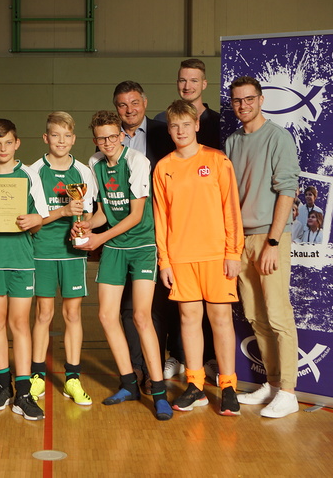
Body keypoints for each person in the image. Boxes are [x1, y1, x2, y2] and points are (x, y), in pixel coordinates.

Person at [74, 110, 172, 421]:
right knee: (106, 315)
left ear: (121, 135)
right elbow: (104, 212)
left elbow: (135, 215)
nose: (107, 143)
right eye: (101, 138)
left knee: (142, 317)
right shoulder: (94, 163)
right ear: (95, 140)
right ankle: (129, 383)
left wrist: (99, 239)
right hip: (115, 247)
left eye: (112, 136)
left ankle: (159, 392)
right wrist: (86, 225)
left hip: (141, 245)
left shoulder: (137, 162)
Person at [152, 100, 244, 417]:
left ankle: (228, 386)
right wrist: (165, 261)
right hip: (181, 258)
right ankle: (195, 385)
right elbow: (161, 219)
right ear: (169, 129)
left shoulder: (217, 160)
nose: (180, 131)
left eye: (186, 124)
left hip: (217, 255)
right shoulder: (163, 167)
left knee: (220, 319)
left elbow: (231, 209)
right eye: (174, 126)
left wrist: (233, 252)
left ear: (197, 125)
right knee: (189, 320)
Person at [225, 76, 302, 419]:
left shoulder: (278, 137)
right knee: (256, 316)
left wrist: (273, 241)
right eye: (237, 100)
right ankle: (271, 384)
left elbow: (287, 190)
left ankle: (289, 391)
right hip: (240, 240)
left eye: (249, 99)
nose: (243, 105)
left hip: (269, 237)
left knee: (278, 315)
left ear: (261, 99)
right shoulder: (232, 141)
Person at [0, 119, 48, 421]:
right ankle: (3, 386)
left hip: (21, 260)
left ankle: (23, 393)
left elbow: (40, 218)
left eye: (8, 142)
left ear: (17, 143)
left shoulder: (29, 175)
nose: (2, 148)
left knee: (20, 324)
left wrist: (33, 220)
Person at [153, 58, 224, 383]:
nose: (188, 85)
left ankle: (214, 365)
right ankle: (181, 359)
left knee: (215, 313)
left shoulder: (218, 129)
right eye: (183, 80)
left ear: (204, 84)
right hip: (179, 239)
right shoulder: (163, 129)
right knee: (181, 309)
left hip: (211, 239)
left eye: (194, 80)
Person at [26, 112, 97, 406]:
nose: (61, 141)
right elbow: (33, 219)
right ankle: (37, 375)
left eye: (67, 136)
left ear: (74, 139)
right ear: (46, 138)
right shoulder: (33, 172)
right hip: (42, 250)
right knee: (43, 314)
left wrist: (83, 226)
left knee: (73, 315)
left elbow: (87, 213)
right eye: (55, 135)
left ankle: (72, 378)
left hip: (72, 252)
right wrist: (64, 212)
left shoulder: (83, 171)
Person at [111, 81, 177, 391]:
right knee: (127, 306)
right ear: (116, 109)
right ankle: (135, 367)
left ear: (145, 103)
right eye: (123, 104)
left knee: (154, 308)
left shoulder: (165, 132)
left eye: (134, 102)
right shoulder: (109, 139)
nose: (129, 109)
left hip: (157, 229)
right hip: (122, 235)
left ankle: (154, 369)